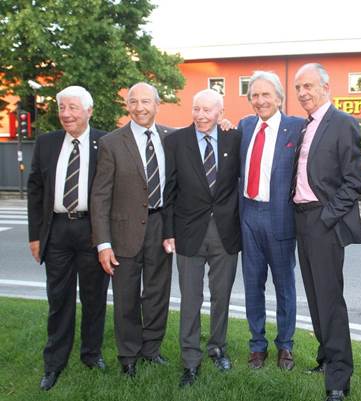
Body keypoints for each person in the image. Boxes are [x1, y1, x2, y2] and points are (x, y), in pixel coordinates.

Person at [27, 85, 110, 390]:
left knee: (94, 298)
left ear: (89, 110)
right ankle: (54, 363)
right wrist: (35, 236)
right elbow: (34, 189)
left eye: (73, 108)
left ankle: (91, 353)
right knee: (59, 299)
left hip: (93, 231)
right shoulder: (46, 143)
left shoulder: (107, 142)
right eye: (62, 108)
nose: (66, 114)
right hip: (57, 231)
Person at [90, 82, 173, 378]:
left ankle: (151, 349)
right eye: (133, 101)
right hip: (123, 232)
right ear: (127, 106)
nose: (140, 107)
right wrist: (103, 243)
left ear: (157, 104)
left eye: (146, 101)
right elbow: (99, 196)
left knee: (157, 293)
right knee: (125, 296)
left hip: (161, 227)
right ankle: (128, 355)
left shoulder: (172, 138)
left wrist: (224, 124)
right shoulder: (112, 142)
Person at [292, 63, 361, 401]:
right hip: (301, 220)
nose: (303, 93)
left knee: (330, 299)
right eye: (298, 88)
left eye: (308, 86)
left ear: (325, 86)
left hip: (323, 219)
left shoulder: (343, 123)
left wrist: (328, 217)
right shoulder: (305, 126)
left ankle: (339, 376)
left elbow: (354, 180)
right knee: (315, 295)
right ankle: (325, 356)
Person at [162, 89, 241, 387]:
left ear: (220, 112)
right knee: (190, 299)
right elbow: (168, 191)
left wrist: (231, 124)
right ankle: (190, 361)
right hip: (188, 232)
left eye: (208, 110)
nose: (201, 115)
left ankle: (217, 348)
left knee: (221, 297)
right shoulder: (176, 141)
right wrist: (168, 231)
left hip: (225, 232)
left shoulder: (234, 138)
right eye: (197, 109)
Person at [238, 71, 304, 370]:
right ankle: (257, 346)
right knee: (253, 285)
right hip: (249, 214)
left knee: (284, 287)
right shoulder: (244, 125)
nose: (260, 100)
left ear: (279, 97)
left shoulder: (297, 128)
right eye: (255, 95)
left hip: (280, 218)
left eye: (266, 95)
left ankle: (285, 346)